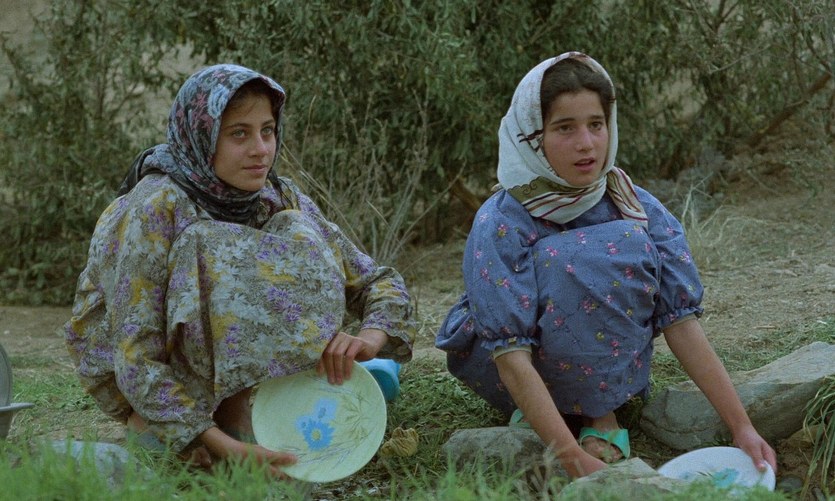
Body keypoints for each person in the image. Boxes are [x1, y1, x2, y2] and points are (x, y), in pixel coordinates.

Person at [435, 52, 776, 478]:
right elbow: (509, 353)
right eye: (565, 128)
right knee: (561, 259)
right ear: (532, 137)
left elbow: (681, 321)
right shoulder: (501, 221)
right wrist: (569, 456)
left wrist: (742, 427)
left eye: (596, 124)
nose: (587, 143)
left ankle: (601, 413)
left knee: (624, 243)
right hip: (510, 368)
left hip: (607, 370)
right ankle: (549, 412)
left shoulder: (632, 203)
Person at [64, 64, 415, 476]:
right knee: (206, 243)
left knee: (296, 229)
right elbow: (134, 356)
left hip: (234, 377)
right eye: (238, 134)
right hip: (142, 376)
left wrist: (371, 337)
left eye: (267, 130)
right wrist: (215, 442)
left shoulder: (277, 197)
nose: (260, 149)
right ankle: (168, 424)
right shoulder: (156, 208)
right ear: (202, 137)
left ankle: (243, 405)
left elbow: (378, 282)